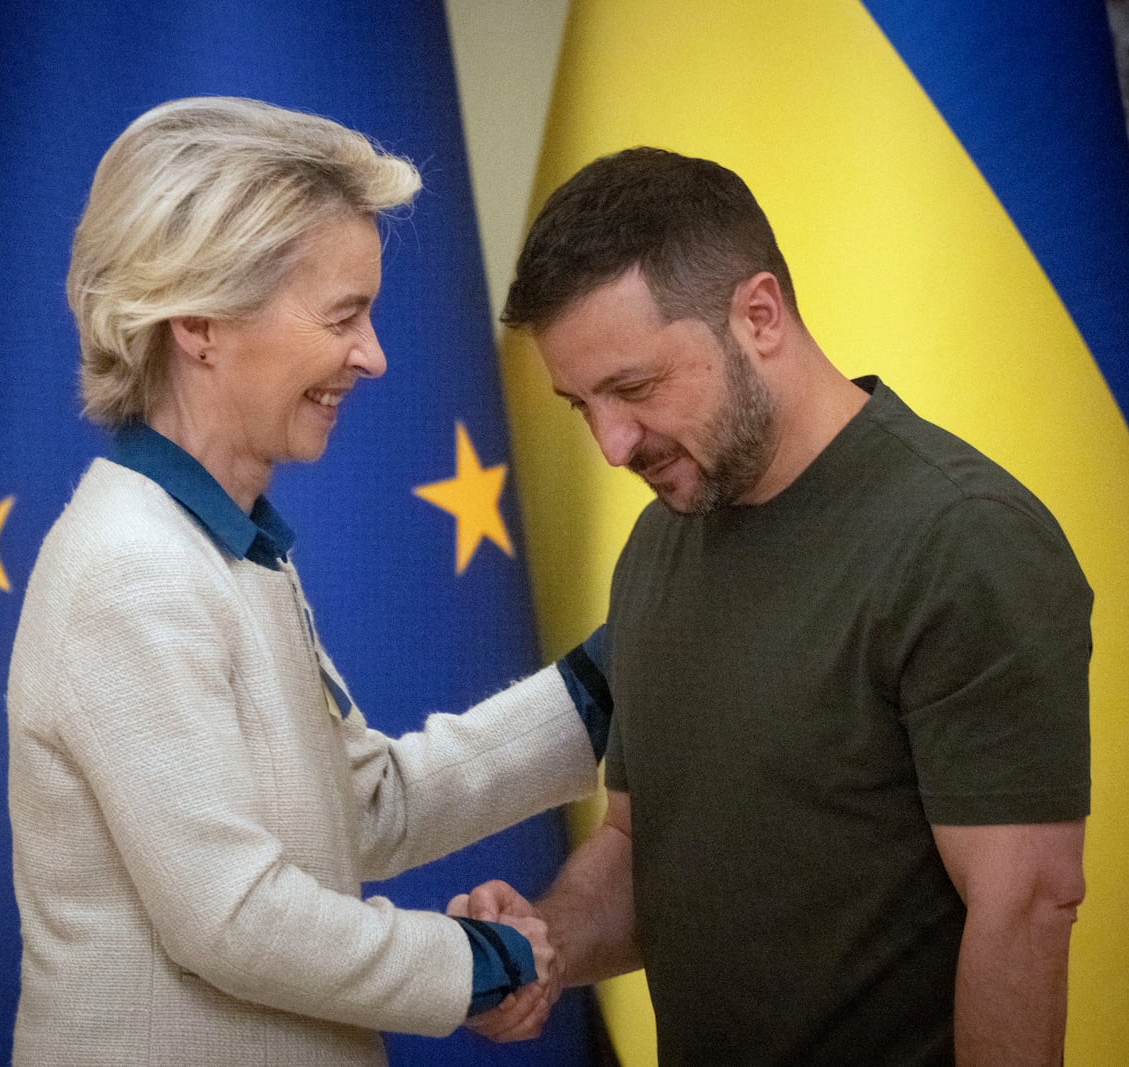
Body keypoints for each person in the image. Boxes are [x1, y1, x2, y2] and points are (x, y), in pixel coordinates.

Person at [451, 147, 1092, 1066]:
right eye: (579, 405)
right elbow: (643, 849)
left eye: (633, 388)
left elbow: (1027, 906)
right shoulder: (659, 541)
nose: (612, 442)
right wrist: (543, 943)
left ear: (759, 315)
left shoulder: (960, 537)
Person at [6, 97, 609, 1066]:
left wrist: (596, 693)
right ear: (199, 320)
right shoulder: (130, 569)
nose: (373, 355)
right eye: (344, 315)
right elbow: (232, 914)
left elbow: (359, 807)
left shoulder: (230, 550)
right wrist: (479, 959)